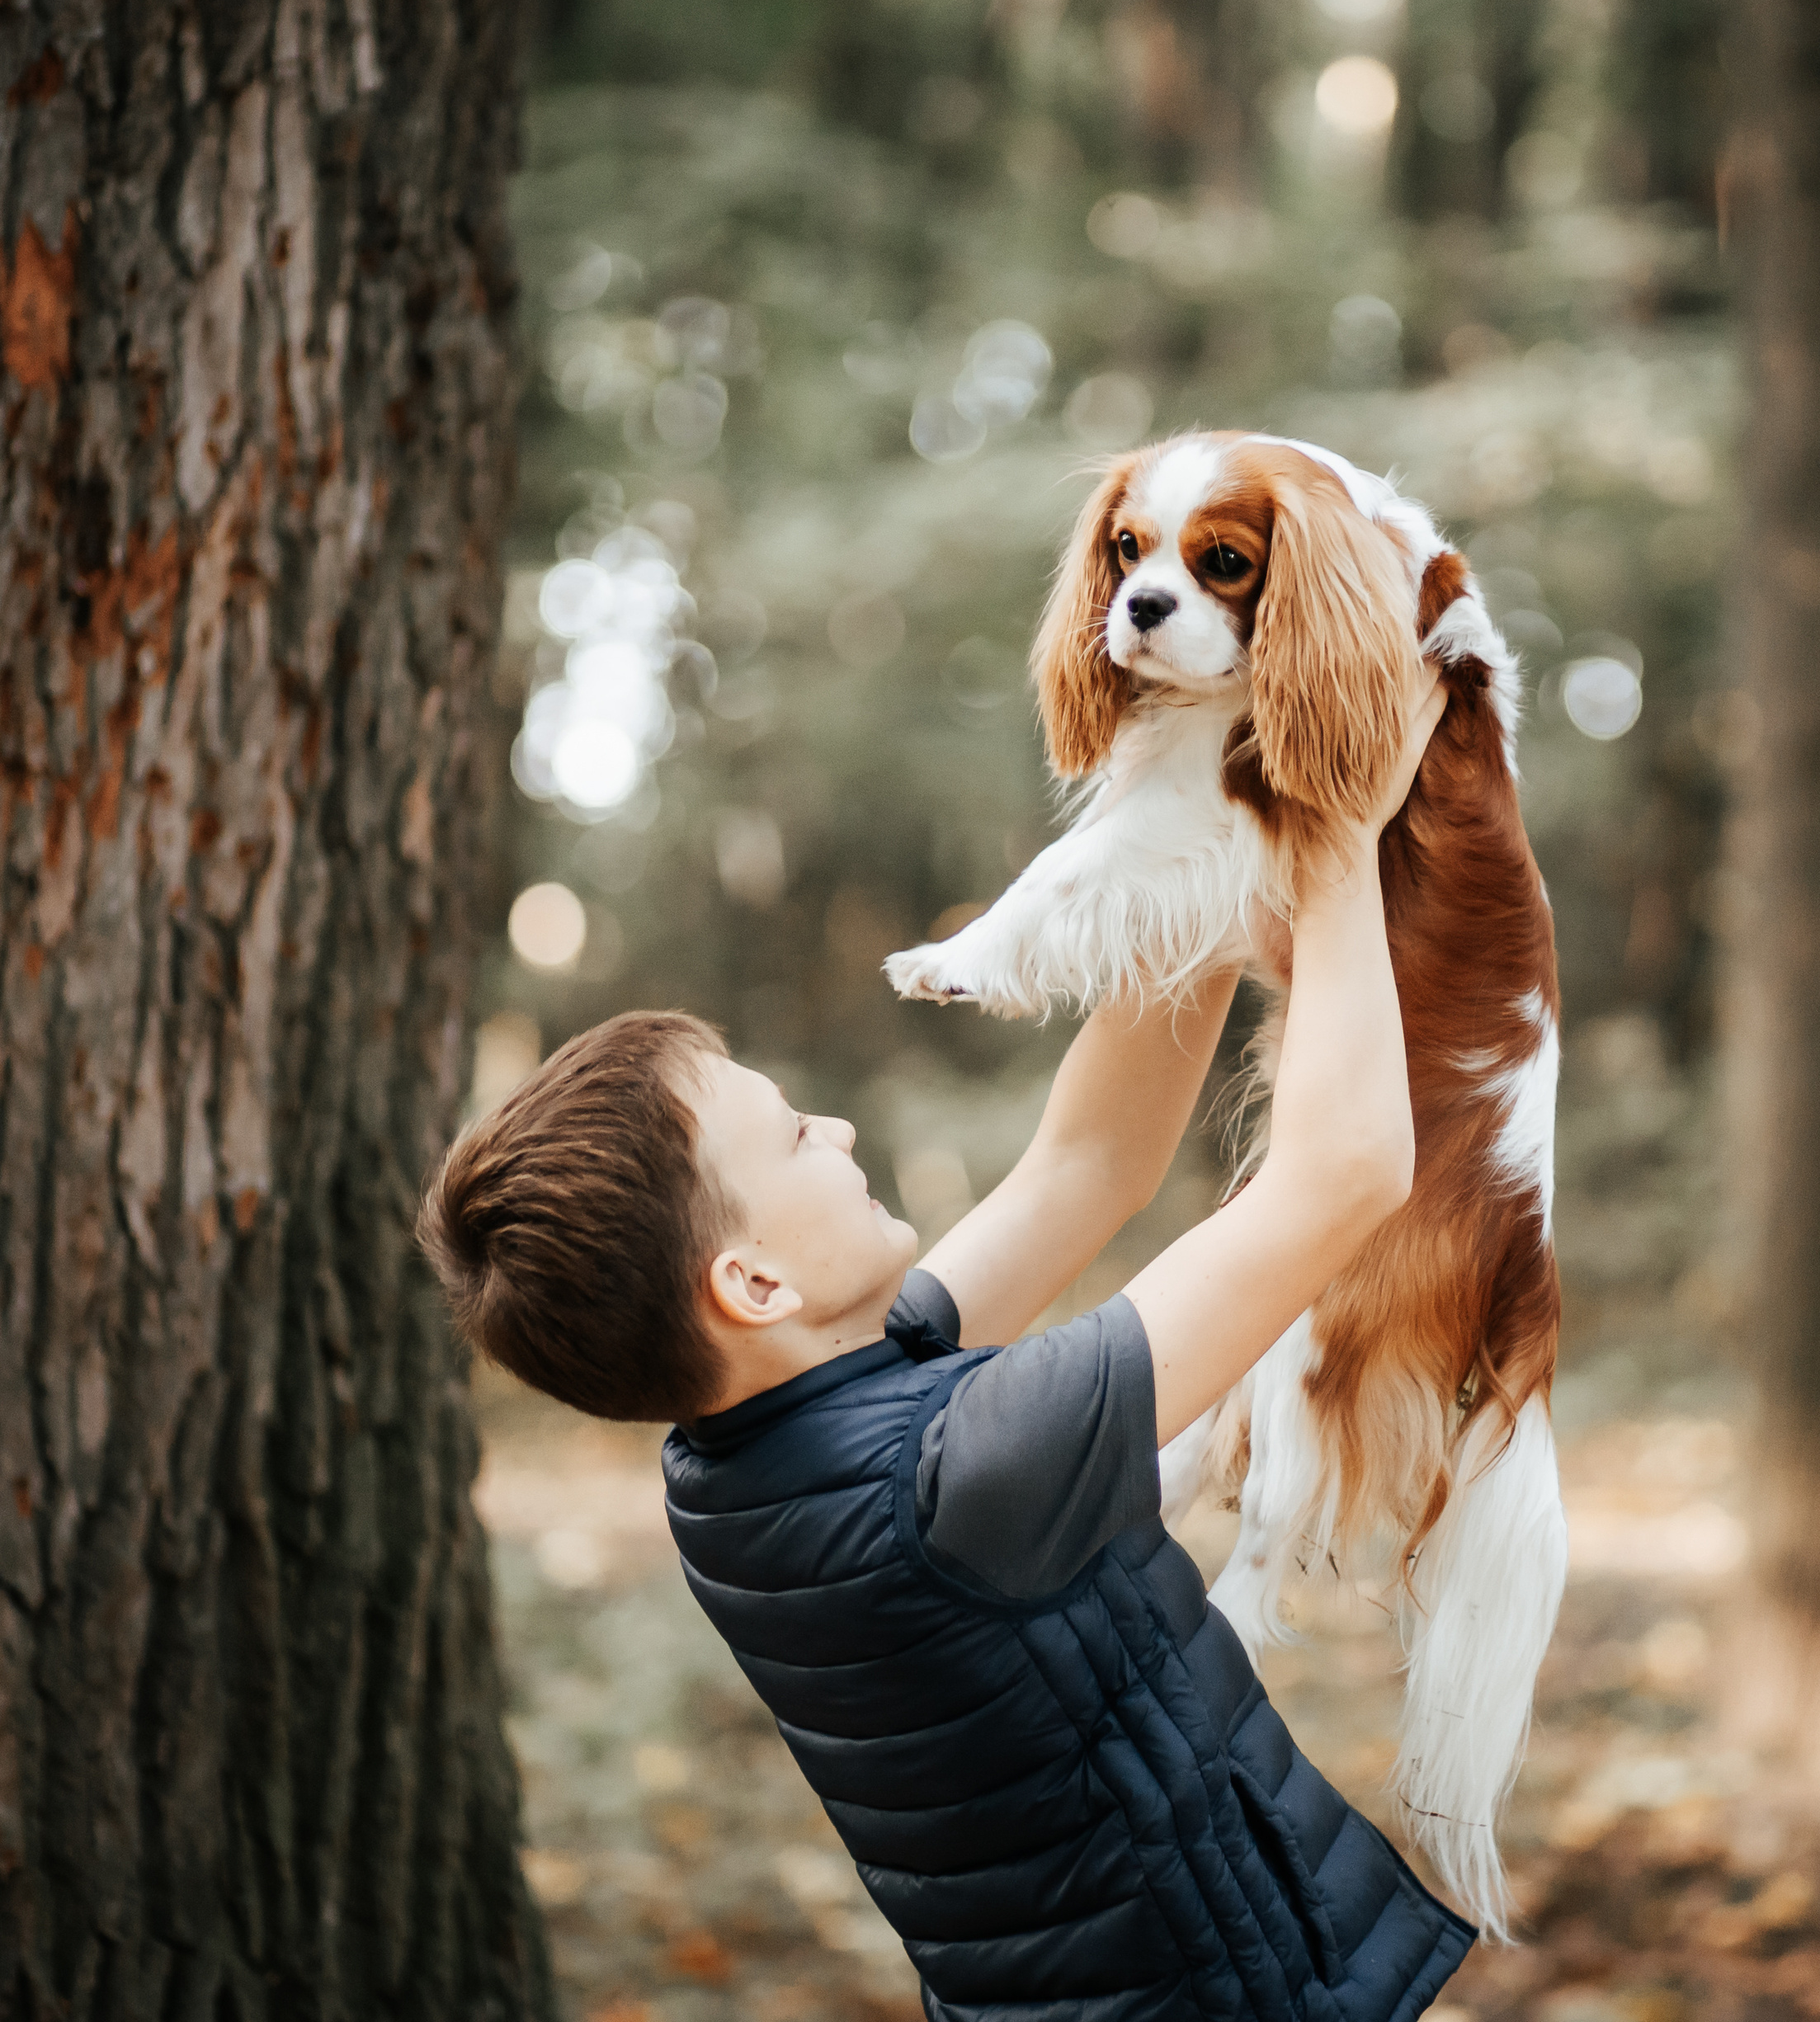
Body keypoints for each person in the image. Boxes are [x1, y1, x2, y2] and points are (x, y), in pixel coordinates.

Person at [419, 670, 1467, 2021]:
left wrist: (1220, 856)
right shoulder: (967, 1476)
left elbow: (1085, 1165)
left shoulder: (753, 1448)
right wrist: (1330, 824)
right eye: (795, 1135)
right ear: (749, 1279)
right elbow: (1350, 1169)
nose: (838, 1133)